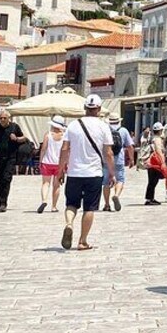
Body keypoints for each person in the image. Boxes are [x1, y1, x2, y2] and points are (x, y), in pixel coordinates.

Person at [58, 94, 115, 251]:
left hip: (74, 172)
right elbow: (108, 153)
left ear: (85, 108)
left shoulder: (73, 125)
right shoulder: (103, 127)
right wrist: (112, 172)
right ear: (98, 109)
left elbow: (64, 149)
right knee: (89, 208)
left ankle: (69, 224)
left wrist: (60, 170)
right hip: (94, 173)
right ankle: (82, 241)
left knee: (71, 204)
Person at [0, 110, 28, 212]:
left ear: (8, 118)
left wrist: (17, 138)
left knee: (6, 179)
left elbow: (24, 138)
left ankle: (3, 203)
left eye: (4, 118)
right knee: (0, 180)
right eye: (0, 118)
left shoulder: (14, 127)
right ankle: (2, 199)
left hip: (10, 158)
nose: (2, 120)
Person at [102, 114, 134, 212]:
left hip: (106, 159)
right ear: (119, 121)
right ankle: (116, 195)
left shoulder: (105, 130)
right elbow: (130, 146)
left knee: (105, 182)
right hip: (119, 160)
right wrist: (132, 159)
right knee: (120, 180)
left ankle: (107, 205)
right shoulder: (123, 131)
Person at [37, 115, 66, 214]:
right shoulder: (64, 136)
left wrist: (40, 161)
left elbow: (43, 149)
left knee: (45, 183)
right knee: (56, 185)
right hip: (59, 163)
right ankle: (54, 206)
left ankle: (44, 200)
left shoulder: (48, 135)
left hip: (47, 162)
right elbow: (66, 150)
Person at [145, 122, 167, 205]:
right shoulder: (157, 139)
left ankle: (150, 198)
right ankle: (149, 199)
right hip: (154, 162)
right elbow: (158, 151)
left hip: (150, 162)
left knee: (152, 181)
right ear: (160, 130)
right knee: (153, 180)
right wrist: (162, 162)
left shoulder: (151, 138)